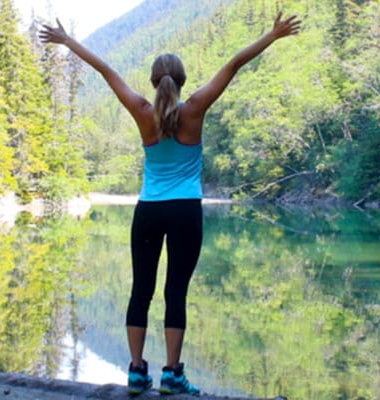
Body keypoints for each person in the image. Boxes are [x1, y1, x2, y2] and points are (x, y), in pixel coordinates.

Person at [39, 12, 301, 396]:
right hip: (185, 212)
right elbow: (233, 64)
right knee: (175, 290)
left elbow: (106, 70)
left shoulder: (142, 111)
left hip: (149, 211)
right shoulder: (194, 109)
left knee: (139, 290)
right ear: (182, 80)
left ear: (152, 80)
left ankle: (134, 371)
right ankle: (172, 374)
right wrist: (273, 35)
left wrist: (67, 41)